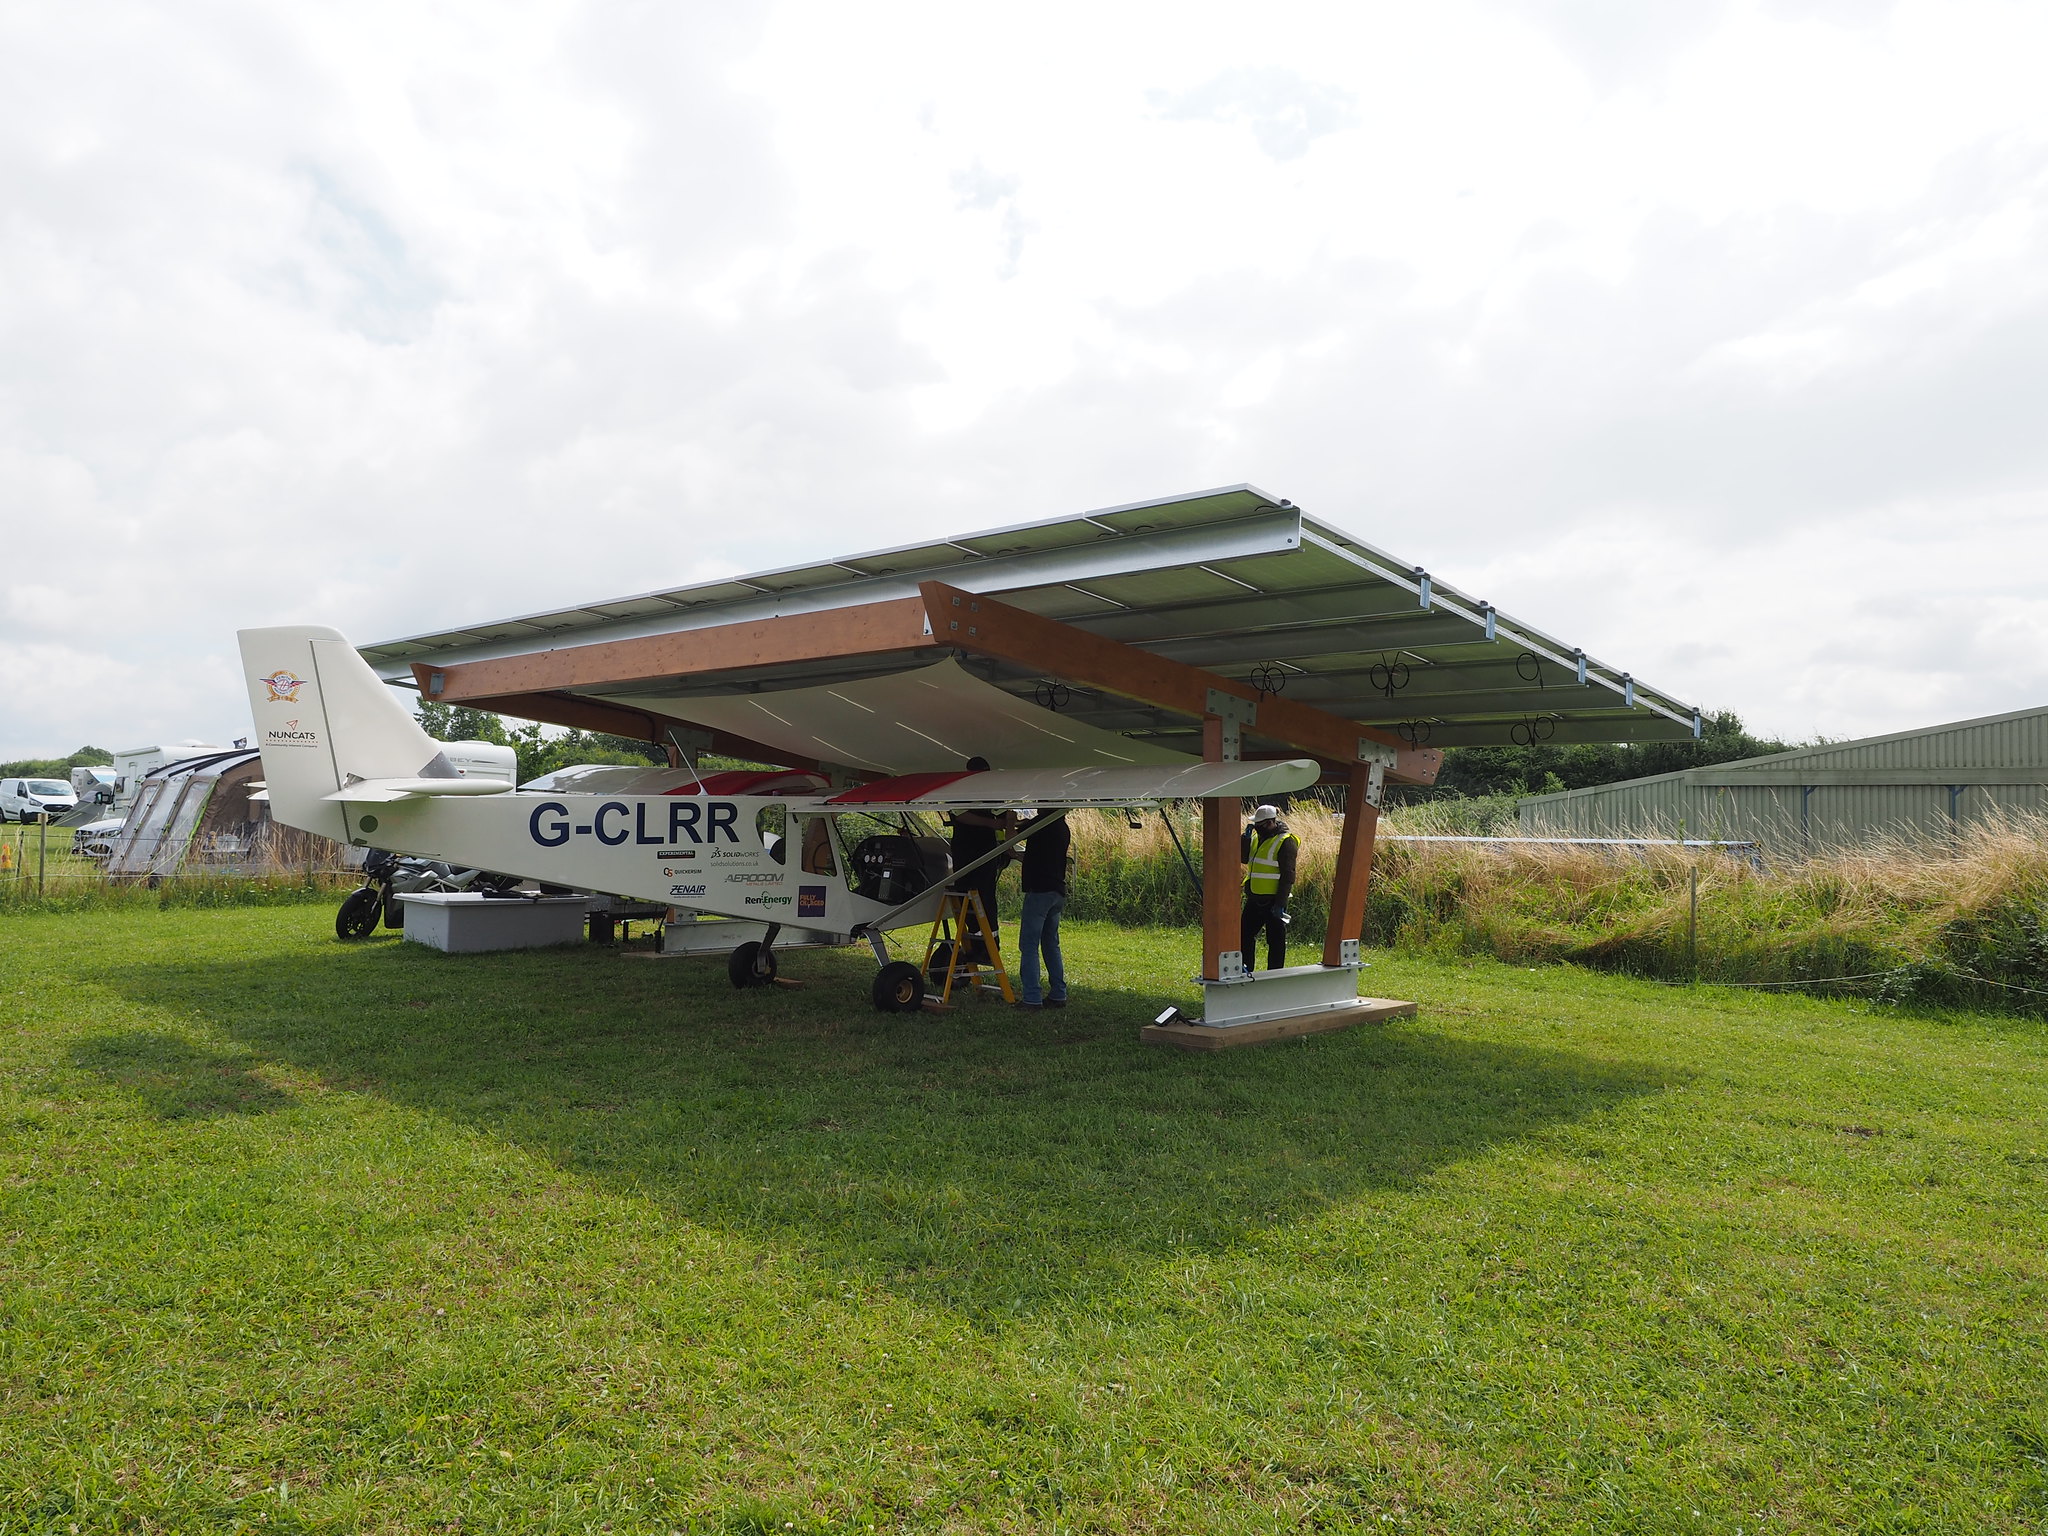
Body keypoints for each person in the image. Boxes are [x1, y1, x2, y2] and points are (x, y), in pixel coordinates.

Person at [946, 756, 1015, 960]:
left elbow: (1006, 813)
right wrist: (992, 824)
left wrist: (1009, 825)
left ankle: (990, 945)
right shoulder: (960, 790)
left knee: (984, 894)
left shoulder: (993, 792)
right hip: (966, 848)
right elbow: (960, 815)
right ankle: (976, 943)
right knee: (965, 891)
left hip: (985, 849)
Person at [1014, 810, 1070, 1009]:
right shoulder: (1062, 828)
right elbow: (1040, 856)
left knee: (1029, 945)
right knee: (1050, 944)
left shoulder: (1041, 824)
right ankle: (1058, 994)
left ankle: (1031, 997)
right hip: (1056, 890)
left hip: (1039, 891)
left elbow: (1014, 834)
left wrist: (1008, 821)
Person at [1239, 802, 1299, 971]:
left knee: (1275, 940)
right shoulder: (1257, 838)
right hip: (1255, 897)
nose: (1256, 827)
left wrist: (1280, 903)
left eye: (1259, 825)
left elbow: (1288, 876)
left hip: (1274, 900)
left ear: (1271, 822)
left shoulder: (1286, 841)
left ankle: (1275, 974)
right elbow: (1244, 858)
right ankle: (1245, 970)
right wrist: (1245, 839)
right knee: (1244, 935)